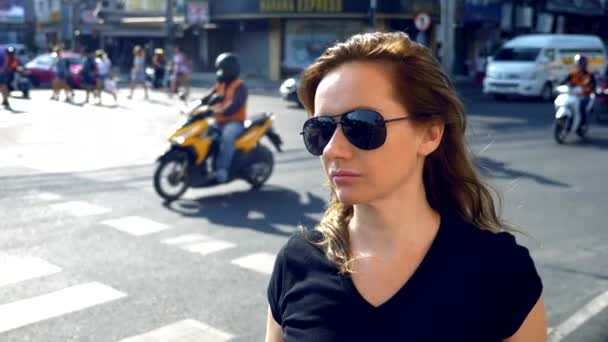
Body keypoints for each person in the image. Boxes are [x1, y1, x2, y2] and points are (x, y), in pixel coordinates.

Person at [265, 32, 546, 341]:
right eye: (321, 129)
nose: (333, 149)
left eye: (361, 125)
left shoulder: (500, 272)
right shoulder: (297, 263)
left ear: (430, 135)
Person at [202, 52, 248, 183]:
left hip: (235, 122)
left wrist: (216, 112)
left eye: (222, 70)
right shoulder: (220, 84)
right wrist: (197, 104)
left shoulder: (240, 86)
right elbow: (208, 98)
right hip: (219, 121)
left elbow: (234, 106)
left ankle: (222, 170)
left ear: (230, 70)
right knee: (203, 134)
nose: (219, 72)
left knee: (226, 138)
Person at [563, 54, 597, 136]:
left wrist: (589, 89)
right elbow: (565, 82)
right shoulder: (572, 74)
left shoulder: (589, 75)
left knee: (581, 107)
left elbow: (593, 85)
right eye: (579, 63)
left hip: (585, 96)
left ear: (585, 64)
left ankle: (582, 123)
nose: (581, 65)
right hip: (573, 95)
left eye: (582, 63)